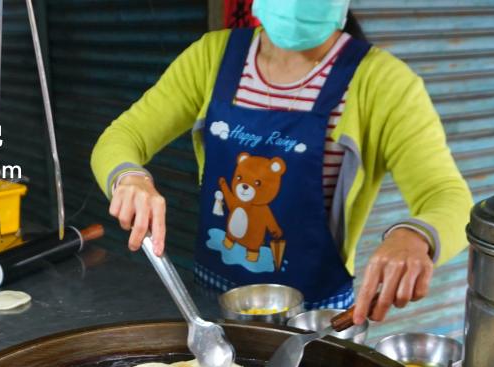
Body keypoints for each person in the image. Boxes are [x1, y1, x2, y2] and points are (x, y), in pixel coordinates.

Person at [90, 0, 472, 324]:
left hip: (313, 319)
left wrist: (415, 236)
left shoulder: (382, 82)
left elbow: (447, 196)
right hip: (212, 306)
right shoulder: (212, 58)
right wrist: (129, 177)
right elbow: (123, 137)